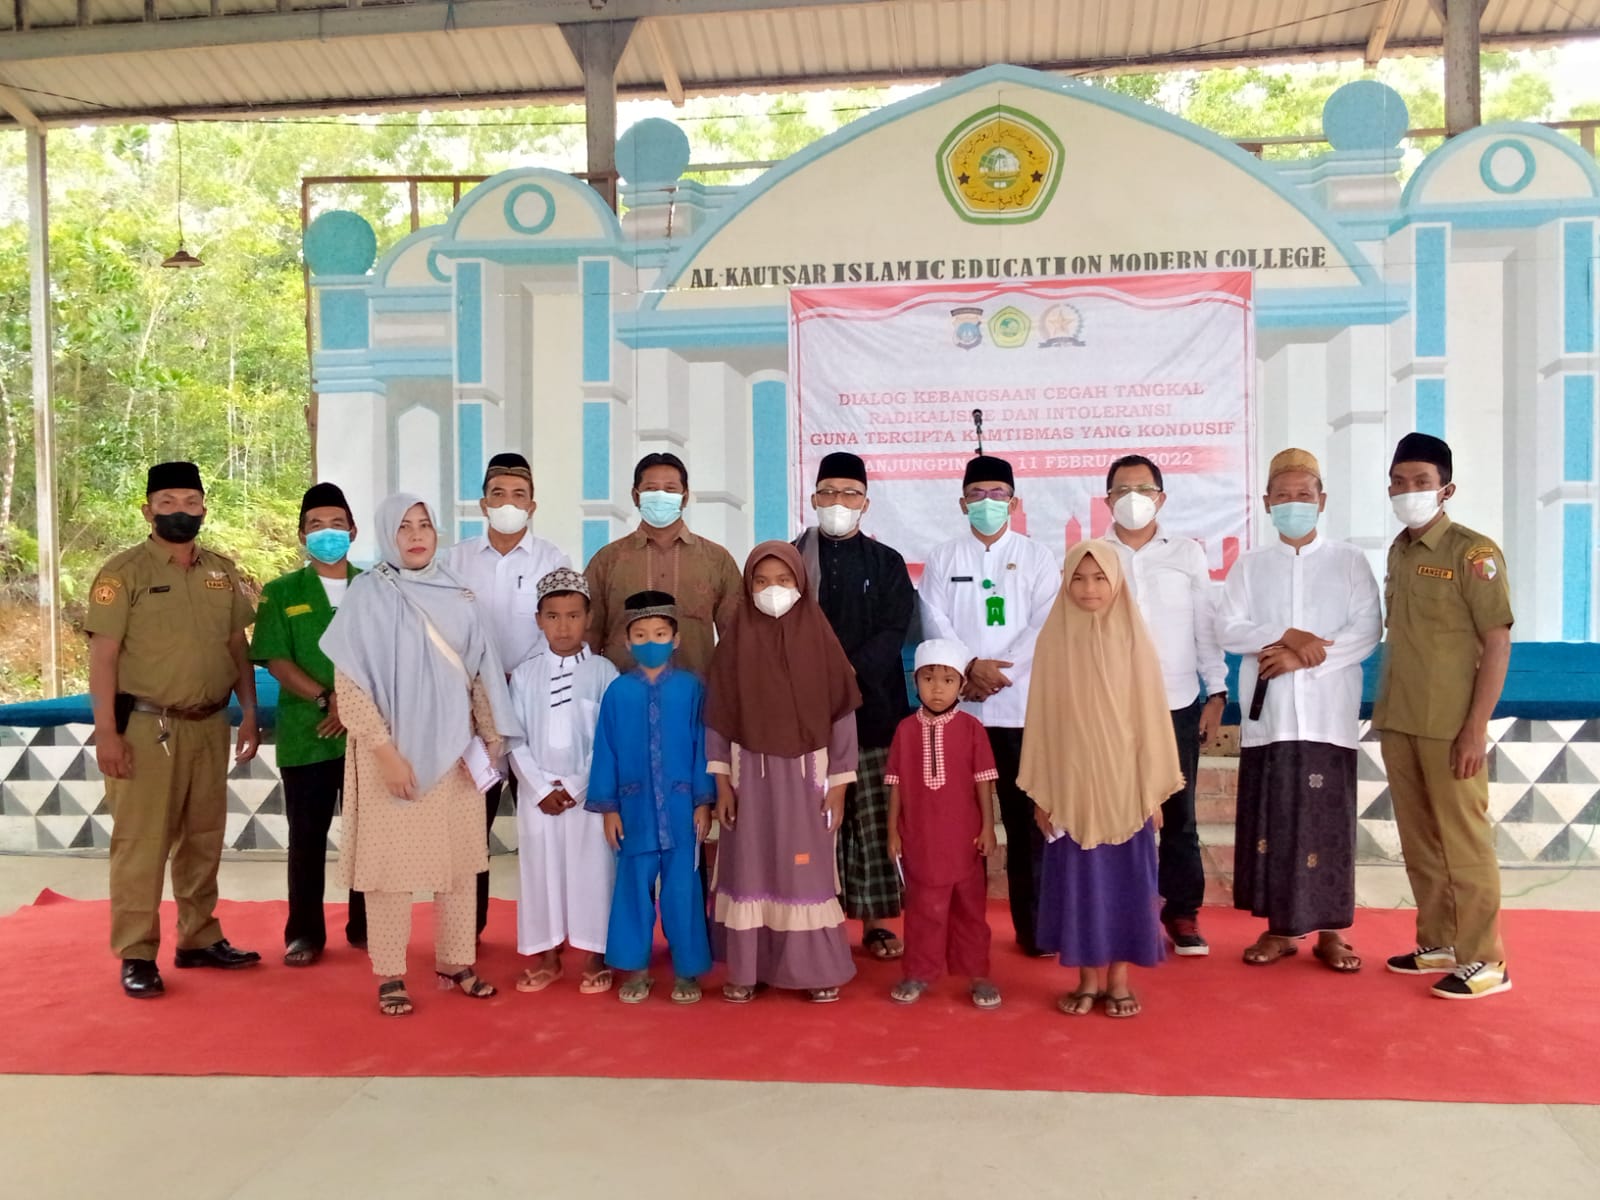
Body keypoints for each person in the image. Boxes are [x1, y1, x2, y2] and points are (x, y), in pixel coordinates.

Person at [321, 493, 521, 1016]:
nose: (415, 535)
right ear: (388, 534)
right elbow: (350, 685)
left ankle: (456, 961)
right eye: (404, 526)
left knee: (459, 864)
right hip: (388, 754)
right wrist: (385, 752)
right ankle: (390, 973)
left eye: (424, 525)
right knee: (389, 870)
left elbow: (479, 671)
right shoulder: (367, 595)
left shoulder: (459, 593)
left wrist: (490, 735)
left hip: (454, 751)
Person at [86, 461, 262, 999]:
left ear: (204, 508)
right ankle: (137, 953)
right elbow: (103, 656)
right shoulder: (123, 573)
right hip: (146, 727)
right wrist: (106, 733)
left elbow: (236, 647)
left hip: (209, 723)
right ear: (148, 511)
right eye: (167, 503)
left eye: (190, 502)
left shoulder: (221, 571)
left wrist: (249, 711)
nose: (179, 512)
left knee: (203, 838)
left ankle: (198, 937)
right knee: (142, 843)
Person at [1216, 450, 1382, 973]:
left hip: (1328, 716)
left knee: (1328, 827)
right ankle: (1280, 931)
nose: (1294, 503)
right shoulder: (1250, 565)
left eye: (1304, 495)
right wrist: (1284, 635)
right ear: (1267, 502)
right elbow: (1228, 628)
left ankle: (1332, 932)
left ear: (1322, 501)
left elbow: (1367, 630)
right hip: (1271, 721)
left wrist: (1304, 658)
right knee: (1276, 825)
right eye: (1283, 495)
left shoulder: (1349, 561)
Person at [1374, 433, 1514, 999]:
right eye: (1399, 482)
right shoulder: (1399, 551)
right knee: (1421, 841)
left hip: (1451, 726)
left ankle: (1487, 960)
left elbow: (1497, 641)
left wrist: (1475, 729)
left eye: (1421, 482)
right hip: (1400, 718)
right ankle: (1439, 942)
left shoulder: (1472, 554)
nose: (1408, 491)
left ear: (1446, 489)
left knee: (1464, 842)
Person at [1020, 541, 1182, 1019]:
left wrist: (1151, 791)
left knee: (1125, 884)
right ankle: (1087, 979)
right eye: (1078, 578)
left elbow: (1151, 717)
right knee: (1080, 885)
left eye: (1099, 578)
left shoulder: (1133, 637)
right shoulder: (1053, 640)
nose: (1088, 588)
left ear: (1116, 582)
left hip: (1125, 788)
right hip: (1070, 788)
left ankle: (1119, 981)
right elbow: (1042, 720)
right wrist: (1043, 791)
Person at [707, 543, 863, 1004]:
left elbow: (842, 715)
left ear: (801, 584)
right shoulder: (734, 644)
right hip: (748, 780)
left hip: (807, 778)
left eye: (783, 581)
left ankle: (814, 968)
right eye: (760, 581)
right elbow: (718, 717)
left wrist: (839, 784)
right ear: (747, 587)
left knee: (804, 871)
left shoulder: (821, 640)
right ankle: (749, 968)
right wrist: (722, 784)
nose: (771, 590)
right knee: (750, 868)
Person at [918, 454, 1058, 957]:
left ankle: (1037, 930)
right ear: (962, 503)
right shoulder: (943, 558)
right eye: (977, 495)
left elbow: (1045, 625)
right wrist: (969, 668)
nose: (987, 503)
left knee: (1027, 826)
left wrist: (999, 674)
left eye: (998, 495)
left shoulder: (1038, 557)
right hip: (963, 713)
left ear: (1015, 503)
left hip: (1021, 711)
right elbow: (934, 621)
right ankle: (960, 929)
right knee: (958, 827)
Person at [1101, 454, 1229, 957]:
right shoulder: (1093, 556)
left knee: (1179, 814)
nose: (1133, 499)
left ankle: (1182, 912)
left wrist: (1216, 692)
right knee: (1116, 810)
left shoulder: (1187, 554)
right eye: (1122, 490)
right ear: (1107, 500)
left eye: (1144, 489)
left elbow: (1206, 627)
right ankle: (1119, 908)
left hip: (1176, 703)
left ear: (1162, 498)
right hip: (1111, 704)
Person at [441, 450, 571, 940]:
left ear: (532, 505)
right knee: (471, 822)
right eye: (499, 494)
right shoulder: (454, 561)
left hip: (535, 707)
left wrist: (524, 679)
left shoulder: (552, 560)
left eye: (519, 495)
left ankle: (548, 932)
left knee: (542, 818)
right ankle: (465, 932)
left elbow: (562, 630)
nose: (509, 504)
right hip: (473, 713)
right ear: (483, 503)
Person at [794, 451, 917, 962]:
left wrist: (847, 670)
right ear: (814, 498)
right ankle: (812, 917)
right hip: (803, 712)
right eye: (829, 492)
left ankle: (875, 922)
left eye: (849, 493)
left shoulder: (886, 562)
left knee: (870, 819)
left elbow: (895, 628)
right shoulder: (791, 558)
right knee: (811, 821)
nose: (838, 502)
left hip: (873, 710)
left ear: (865, 503)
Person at [251, 482, 368, 966]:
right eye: (316, 525)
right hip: (308, 731)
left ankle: (366, 926)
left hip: (367, 734)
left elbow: (389, 655)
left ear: (353, 531)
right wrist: (327, 698)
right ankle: (304, 933)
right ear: (302, 535)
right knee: (306, 838)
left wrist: (352, 704)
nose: (327, 533)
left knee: (367, 837)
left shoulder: (375, 587)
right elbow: (276, 658)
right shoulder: (281, 592)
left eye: (337, 524)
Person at [586, 591, 714, 1004]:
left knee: (683, 891)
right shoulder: (618, 692)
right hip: (634, 809)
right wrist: (608, 808)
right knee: (631, 890)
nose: (650, 641)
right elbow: (605, 751)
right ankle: (636, 969)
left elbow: (703, 747)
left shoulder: (691, 689)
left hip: (681, 809)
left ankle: (687, 971)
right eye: (640, 634)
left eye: (660, 633)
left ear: (676, 639)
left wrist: (703, 800)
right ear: (627, 641)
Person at [506, 568, 619, 995]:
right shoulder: (526, 674)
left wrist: (574, 786)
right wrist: (539, 788)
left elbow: (608, 739)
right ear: (539, 620)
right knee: (541, 871)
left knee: (594, 870)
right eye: (553, 616)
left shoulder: (604, 672)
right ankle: (548, 955)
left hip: (588, 793)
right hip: (538, 794)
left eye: (573, 615)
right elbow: (514, 738)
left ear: (588, 618)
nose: (564, 626)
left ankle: (595, 953)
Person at [885, 638, 1001, 1010]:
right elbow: (896, 784)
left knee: (970, 908)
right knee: (923, 909)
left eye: (948, 680)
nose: (937, 688)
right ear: (914, 682)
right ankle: (918, 971)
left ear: (961, 685)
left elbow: (983, 782)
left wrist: (987, 827)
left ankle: (977, 973)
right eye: (928, 678)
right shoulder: (905, 730)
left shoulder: (972, 728)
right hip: (919, 837)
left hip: (964, 837)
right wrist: (892, 831)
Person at [584, 452, 743, 677]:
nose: (660, 496)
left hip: (697, 692)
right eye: (651, 489)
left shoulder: (716, 560)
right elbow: (588, 635)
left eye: (670, 489)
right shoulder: (608, 560)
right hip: (623, 689)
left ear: (684, 498)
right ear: (636, 496)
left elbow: (737, 637)